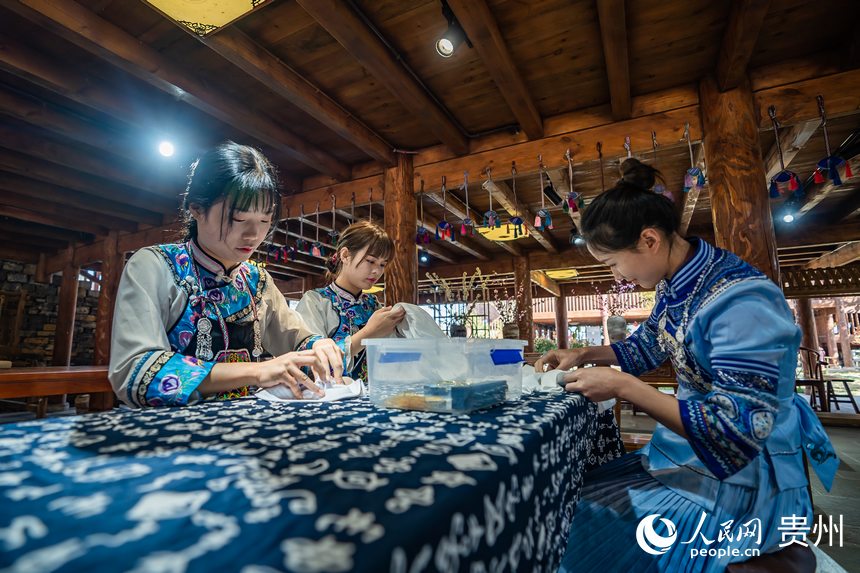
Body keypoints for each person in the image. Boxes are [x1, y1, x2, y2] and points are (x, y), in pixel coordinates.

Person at [536, 158, 838, 571]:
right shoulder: (678, 284)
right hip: (689, 453)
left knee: (574, 524)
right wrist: (583, 355)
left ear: (648, 240)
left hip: (743, 477)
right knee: (565, 496)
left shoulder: (741, 300)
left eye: (613, 263)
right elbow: (647, 346)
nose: (618, 276)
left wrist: (623, 387)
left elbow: (737, 431)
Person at [109, 142, 343, 408]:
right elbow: (135, 370)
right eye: (239, 219)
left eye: (265, 220)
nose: (254, 235)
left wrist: (318, 346)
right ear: (196, 209)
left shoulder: (257, 281)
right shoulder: (155, 266)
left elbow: (297, 338)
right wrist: (256, 371)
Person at [296, 220, 405, 381]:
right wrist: (369, 333)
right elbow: (309, 365)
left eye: (382, 264)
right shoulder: (315, 301)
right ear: (345, 255)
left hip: (374, 393)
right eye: (371, 261)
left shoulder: (373, 304)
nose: (377, 271)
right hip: (332, 394)